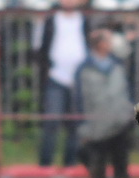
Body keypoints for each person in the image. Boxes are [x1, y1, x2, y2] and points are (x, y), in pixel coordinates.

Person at [74, 28, 134, 178]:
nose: (112, 44)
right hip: (96, 127)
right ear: (101, 44)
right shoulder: (83, 69)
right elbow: (78, 100)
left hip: (120, 124)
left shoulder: (118, 65)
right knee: (97, 167)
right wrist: (83, 127)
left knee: (121, 166)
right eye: (109, 40)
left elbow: (127, 92)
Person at [34, 0, 89, 168]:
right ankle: (46, 163)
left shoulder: (85, 20)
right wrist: (47, 69)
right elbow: (40, 47)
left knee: (75, 123)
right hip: (56, 77)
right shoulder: (51, 20)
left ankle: (70, 162)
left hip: (79, 78)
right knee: (52, 120)